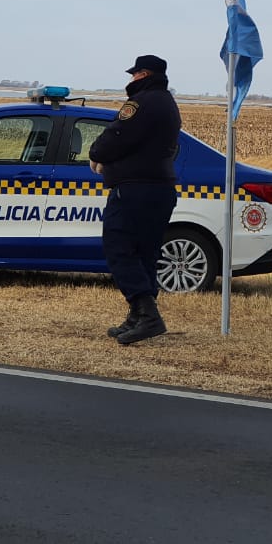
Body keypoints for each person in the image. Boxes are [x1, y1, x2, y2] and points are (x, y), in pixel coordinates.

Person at [88, 54, 182, 345]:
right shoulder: (168, 103)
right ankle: (138, 316)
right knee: (145, 254)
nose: (130, 80)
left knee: (119, 247)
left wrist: (96, 154)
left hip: (134, 189)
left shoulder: (141, 103)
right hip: (159, 188)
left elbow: (117, 135)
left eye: (134, 74)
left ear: (143, 75)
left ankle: (148, 314)